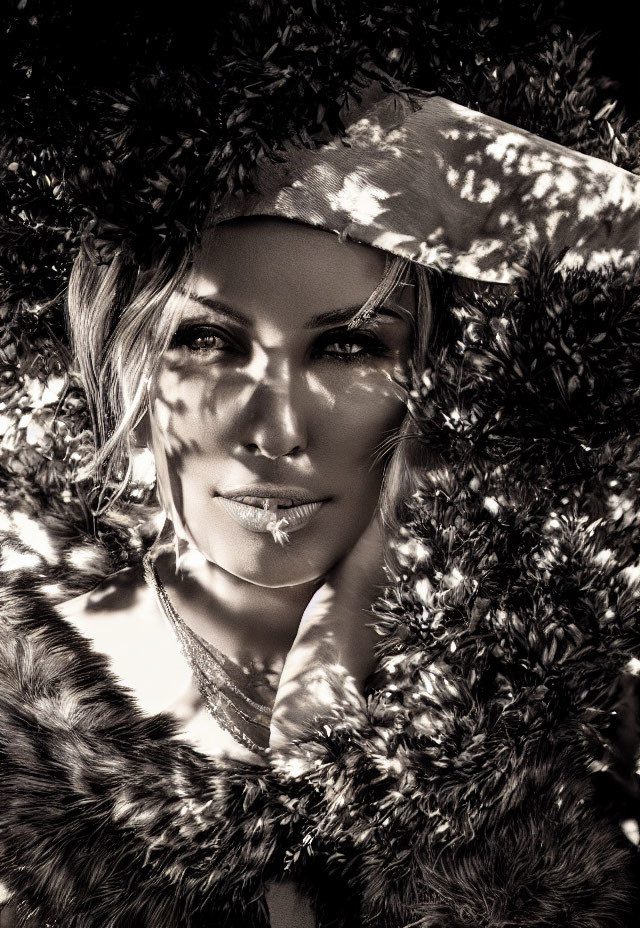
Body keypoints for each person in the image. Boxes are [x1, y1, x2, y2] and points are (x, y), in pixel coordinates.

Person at [1, 71, 640, 928]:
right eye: (206, 340)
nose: (277, 427)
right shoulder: (26, 713)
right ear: (127, 362)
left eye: (348, 345)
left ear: (445, 376)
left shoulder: (554, 683)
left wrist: (362, 631)